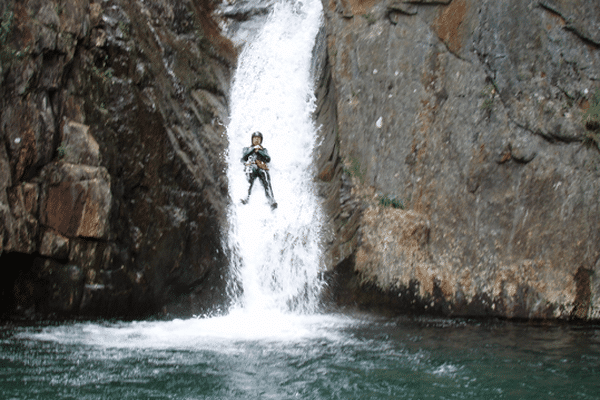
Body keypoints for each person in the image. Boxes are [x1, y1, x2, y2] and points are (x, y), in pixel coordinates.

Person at [240, 131, 277, 210]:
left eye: (258, 139)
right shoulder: (246, 149)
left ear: (261, 141)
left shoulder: (263, 150)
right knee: (249, 176)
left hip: (261, 167)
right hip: (251, 167)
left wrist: (259, 151)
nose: (256, 140)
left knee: (265, 177)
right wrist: (253, 149)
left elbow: (268, 159)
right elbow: (243, 158)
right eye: (255, 138)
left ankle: (271, 199)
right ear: (252, 140)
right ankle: (245, 196)